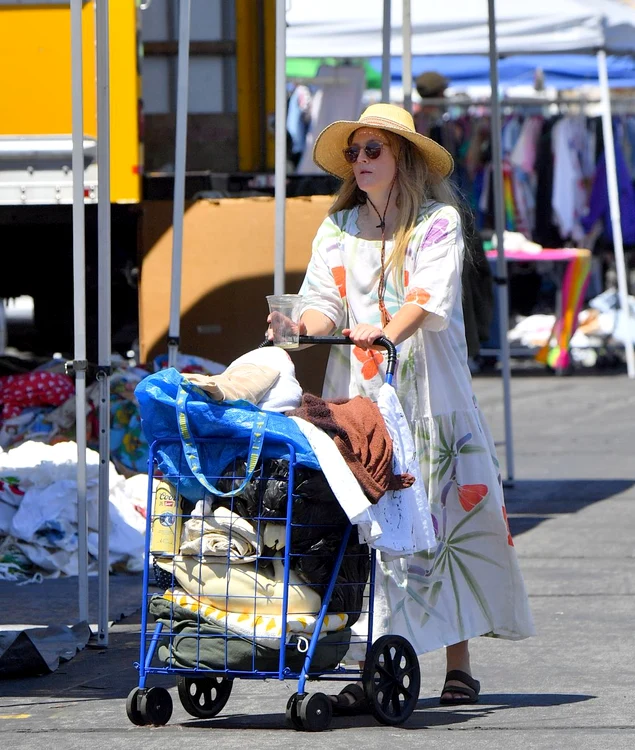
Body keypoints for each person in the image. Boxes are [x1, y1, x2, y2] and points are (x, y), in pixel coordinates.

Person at [270, 103, 534, 709]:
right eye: (355, 152)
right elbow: (322, 305)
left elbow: (427, 296)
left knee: (445, 526)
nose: (361, 162)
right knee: (374, 531)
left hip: (430, 400)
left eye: (373, 151)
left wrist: (387, 332)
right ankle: (376, 659)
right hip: (363, 407)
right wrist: (295, 325)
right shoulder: (338, 228)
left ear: (402, 158)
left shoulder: (437, 222)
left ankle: (458, 664)